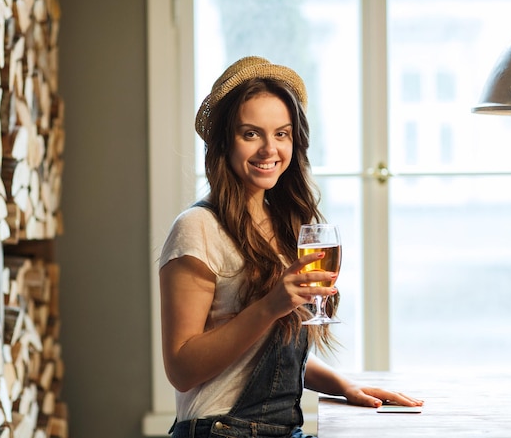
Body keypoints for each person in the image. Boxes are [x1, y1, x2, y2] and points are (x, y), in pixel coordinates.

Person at [159, 56, 424, 438]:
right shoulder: (197, 227)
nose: (269, 149)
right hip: (219, 431)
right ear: (224, 142)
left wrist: (344, 386)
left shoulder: (283, 223)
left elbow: (264, 351)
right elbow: (182, 369)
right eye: (251, 133)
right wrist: (270, 305)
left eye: (281, 134)